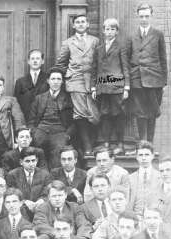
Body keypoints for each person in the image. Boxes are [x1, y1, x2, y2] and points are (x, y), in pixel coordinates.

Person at [55, 14, 100, 156]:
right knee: (80, 114)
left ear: (87, 24)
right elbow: (61, 64)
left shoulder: (95, 41)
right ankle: (87, 147)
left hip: (92, 81)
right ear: (73, 25)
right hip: (75, 81)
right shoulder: (68, 42)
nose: (80, 24)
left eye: (83, 22)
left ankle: (92, 143)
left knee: (94, 115)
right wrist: (68, 74)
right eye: (77, 22)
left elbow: (100, 61)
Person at [128, 3, 167, 143]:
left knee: (152, 112)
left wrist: (164, 81)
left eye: (147, 16)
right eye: (141, 16)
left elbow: (163, 59)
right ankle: (142, 142)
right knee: (139, 113)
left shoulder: (158, 35)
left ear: (151, 16)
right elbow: (128, 59)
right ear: (137, 16)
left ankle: (149, 142)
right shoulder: (132, 36)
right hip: (137, 79)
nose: (144, 19)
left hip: (154, 79)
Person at [91, 18, 130, 154]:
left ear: (117, 31)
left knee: (118, 115)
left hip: (116, 87)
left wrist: (126, 87)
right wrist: (93, 87)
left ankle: (120, 144)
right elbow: (94, 68)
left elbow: (125, 67)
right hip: (102, 87)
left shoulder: (121, 47)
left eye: (112, 29)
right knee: (105, 115)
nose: (109, 32)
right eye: (107, 29)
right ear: (103, 31)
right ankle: (106, 143)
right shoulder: (99, 49)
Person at [28, 67, 74, 169]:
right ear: (48, 81)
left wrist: (67, 135)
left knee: (59, 152)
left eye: (59, 79)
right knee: (36, 152)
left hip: (60, 132)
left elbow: (74, 121)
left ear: (62, 82)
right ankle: (40, 177)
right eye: (53, 79)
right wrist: (34, 133)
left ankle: (54, 179)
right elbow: (31, 120)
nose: (56, 82)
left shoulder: (68, 98)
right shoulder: (39, 98)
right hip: (41, 131)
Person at [5, 147, 52, 215]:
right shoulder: (13, 175)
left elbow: (48, 193)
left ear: (37, 160)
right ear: (21, 162)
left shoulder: (45, 175)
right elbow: (10, 194)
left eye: (33, 161)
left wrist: (41, 201)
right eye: (27, 161)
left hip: (40, 210)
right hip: (20, 211)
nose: (31, 164)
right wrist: (24, 201)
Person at [128, 140, 161, 216]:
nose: (143, 158)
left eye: (147, 155)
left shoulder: (160, 177)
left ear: (152, 156)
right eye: (140, 155)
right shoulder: (130, 178)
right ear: (136, 157)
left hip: (154, 219)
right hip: (135, 219)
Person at [14, 49, 49, 120]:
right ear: (28, 61)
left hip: (44, 120)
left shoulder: (48, 79)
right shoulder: (20, 82)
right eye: (32, 59)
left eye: (38, 58)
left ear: (42, 61)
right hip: (26, 119)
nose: (35, 61)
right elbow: (16, 104)